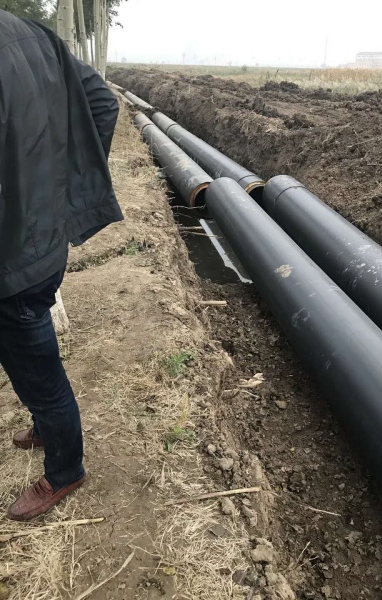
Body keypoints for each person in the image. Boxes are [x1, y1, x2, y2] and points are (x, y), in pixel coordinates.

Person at [0, 10, 123, 521]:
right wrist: (64, 194)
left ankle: (66, 468)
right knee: (24, 354)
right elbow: (103, 103)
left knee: (36, 364)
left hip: (13, 257)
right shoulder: (30, 32)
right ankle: (45, 425)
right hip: (44, 241)